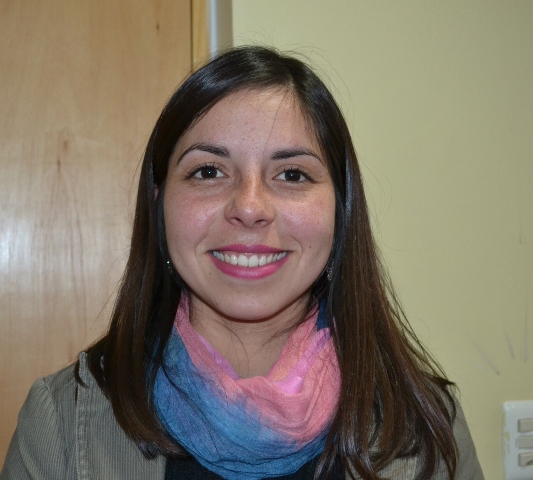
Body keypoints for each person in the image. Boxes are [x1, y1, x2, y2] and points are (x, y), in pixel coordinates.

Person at [0, 46, 484, 480]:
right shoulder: (61, 423)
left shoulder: (428, 429)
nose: (250, 207)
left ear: (342, 208)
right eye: (208, 171)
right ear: (159, 202)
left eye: (292, 174)